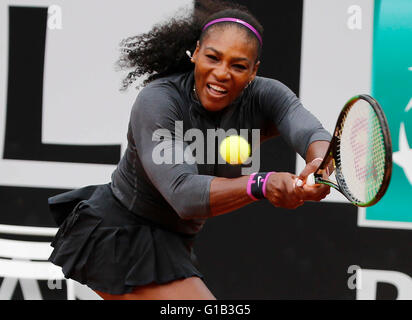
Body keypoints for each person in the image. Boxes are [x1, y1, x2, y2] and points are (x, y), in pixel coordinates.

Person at [48, 0, 332, 300]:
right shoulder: (159, 101)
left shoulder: (266, 96)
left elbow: (313, 133)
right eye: (213, 57)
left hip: (172, 243)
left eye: (238, 66)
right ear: (196, 52)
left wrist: (319, 165)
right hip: (120, 237)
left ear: (253, 71)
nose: (222, 73)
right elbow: (184, 194)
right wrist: (262, 183)